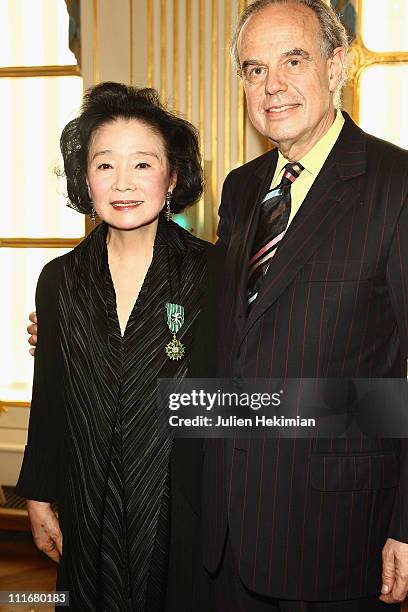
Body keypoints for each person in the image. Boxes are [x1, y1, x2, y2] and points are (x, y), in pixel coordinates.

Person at [201, 0, 408, 610]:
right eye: (254, 69)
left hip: (335, 531)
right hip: (226, 527)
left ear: (337, 65)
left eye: (293, 60)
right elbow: (224, 326)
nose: (273, 86)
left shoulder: (396, 187)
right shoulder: (242, 188)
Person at [17, 82, 214, 611]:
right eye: (105, 165)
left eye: (143, 165)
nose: (123, 183)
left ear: (173, 176)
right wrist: (37, 494)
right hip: (88, 505)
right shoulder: (59, 280)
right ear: (85, 177)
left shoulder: (213, 273)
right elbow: (50, 395)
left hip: (182, 510)